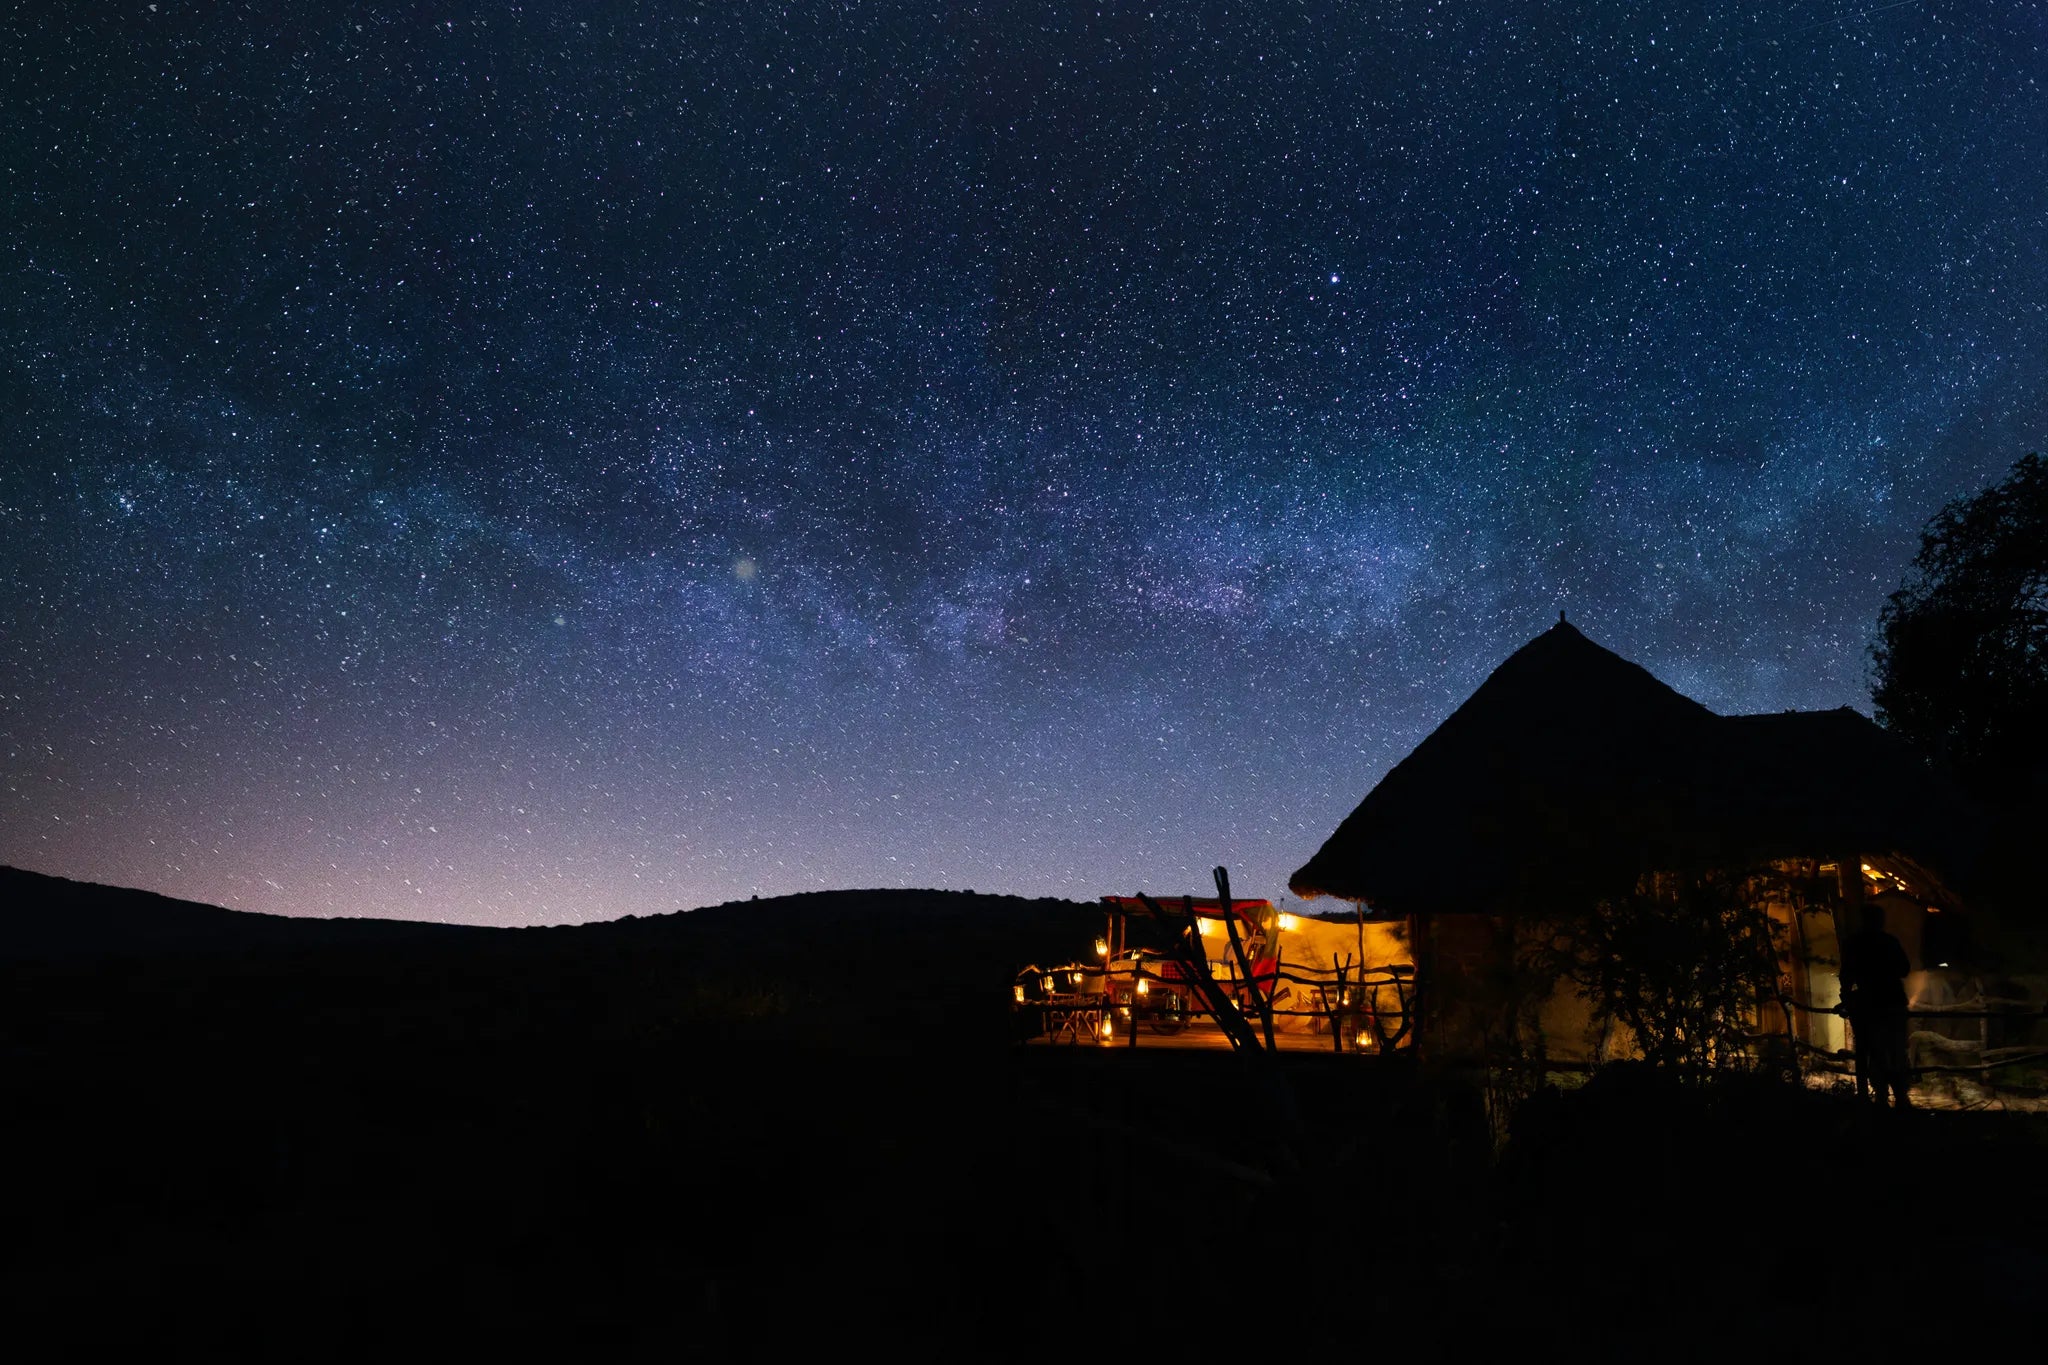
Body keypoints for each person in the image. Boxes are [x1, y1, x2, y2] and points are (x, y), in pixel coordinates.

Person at [1839, 903, 1913, 1109]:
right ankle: (1899, 1096)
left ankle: (1878, 1095)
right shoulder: (1889, 942)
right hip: (1892, 1002)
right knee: (1894, 1050)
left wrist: (1847, 997)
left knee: (1873, 1051)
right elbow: (1904, 969)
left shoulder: (1853, 943)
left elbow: (1846, 974)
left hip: (1869, 1003)